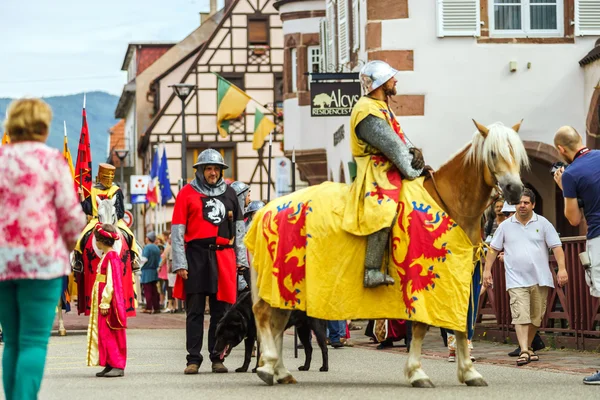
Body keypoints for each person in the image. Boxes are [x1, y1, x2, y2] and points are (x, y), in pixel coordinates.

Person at [0, 98, 86, 399]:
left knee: (11, 341)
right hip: (43, 263)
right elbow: (72, 217)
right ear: (43, 126)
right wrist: (68, 245)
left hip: (2, 264)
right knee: (34, 341)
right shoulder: (52, 161)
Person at [343, 60, 426, 288]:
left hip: (388, 169)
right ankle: (371, 270)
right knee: (383, 211)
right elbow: (392, 147)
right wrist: (413, 167)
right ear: (380, 82)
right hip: (375, 174)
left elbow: (400, 139)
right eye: (391, 77)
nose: (396, 80)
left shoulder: (382, 107)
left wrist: (415, 151)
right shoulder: (366, 110)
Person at [171, 149, 248, 374]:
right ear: (201, 170)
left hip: (223, 256)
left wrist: (241, 260)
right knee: (194, 311)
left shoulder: (231, 194)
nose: (213, 172)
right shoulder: (186, 193)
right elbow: (177, 230)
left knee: (221, 312)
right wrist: (180, 263)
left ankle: (217, 357)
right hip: (196, 256)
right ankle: (193, 359)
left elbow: (239, 230)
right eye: (208, 168)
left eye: (216, 169)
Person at [483, 189, 568, 366]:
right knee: (520, 315)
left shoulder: (543, 223)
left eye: (526, 202)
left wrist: (562, 269)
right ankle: (523, 350)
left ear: (533, 205)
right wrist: (487, 271)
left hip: (540, 278)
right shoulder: (506, 226)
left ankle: (528, 347)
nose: (522, 205)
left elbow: (557, 247)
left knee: (536, 317)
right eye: (519, 202)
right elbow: (493, 249)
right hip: (516, 279)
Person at [553, 125, 600, 385]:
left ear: (561, 149)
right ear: (581, 139)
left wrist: (565, 189)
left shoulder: (571, 174)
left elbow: (572, 219)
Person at [86, 223, 128, 378]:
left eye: (96, 239)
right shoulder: (106, 256)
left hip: (108, 300)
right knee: (104, 332)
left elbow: (111, 280)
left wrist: (105, 301)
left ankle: (117, 364)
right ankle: (109, 363)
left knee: (111, 332)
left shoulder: (112, 257)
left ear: (100, 241)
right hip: (101, 297)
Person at [75, 163, 140, 258]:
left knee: (129, 236)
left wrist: (112, 217)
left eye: (111, 177)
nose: (108, 179)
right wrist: (82, 197)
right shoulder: (93, 190)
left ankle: (134, 260)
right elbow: (88, 209)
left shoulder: (116, 190)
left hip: (115, 221)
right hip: (96, 220)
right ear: (100, 175)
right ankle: (78, 261)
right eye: (106, 177)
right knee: (82, 237)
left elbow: (120, 211)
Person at [140, 232, 161, 314]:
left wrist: (138, 266)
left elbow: (144, 259)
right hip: (154, 270)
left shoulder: (147, 247)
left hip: (147, 271)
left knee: (147, 290)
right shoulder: (157, 248)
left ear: (148, 238)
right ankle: (156, 307)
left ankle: (148, 307)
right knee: (154, 290)